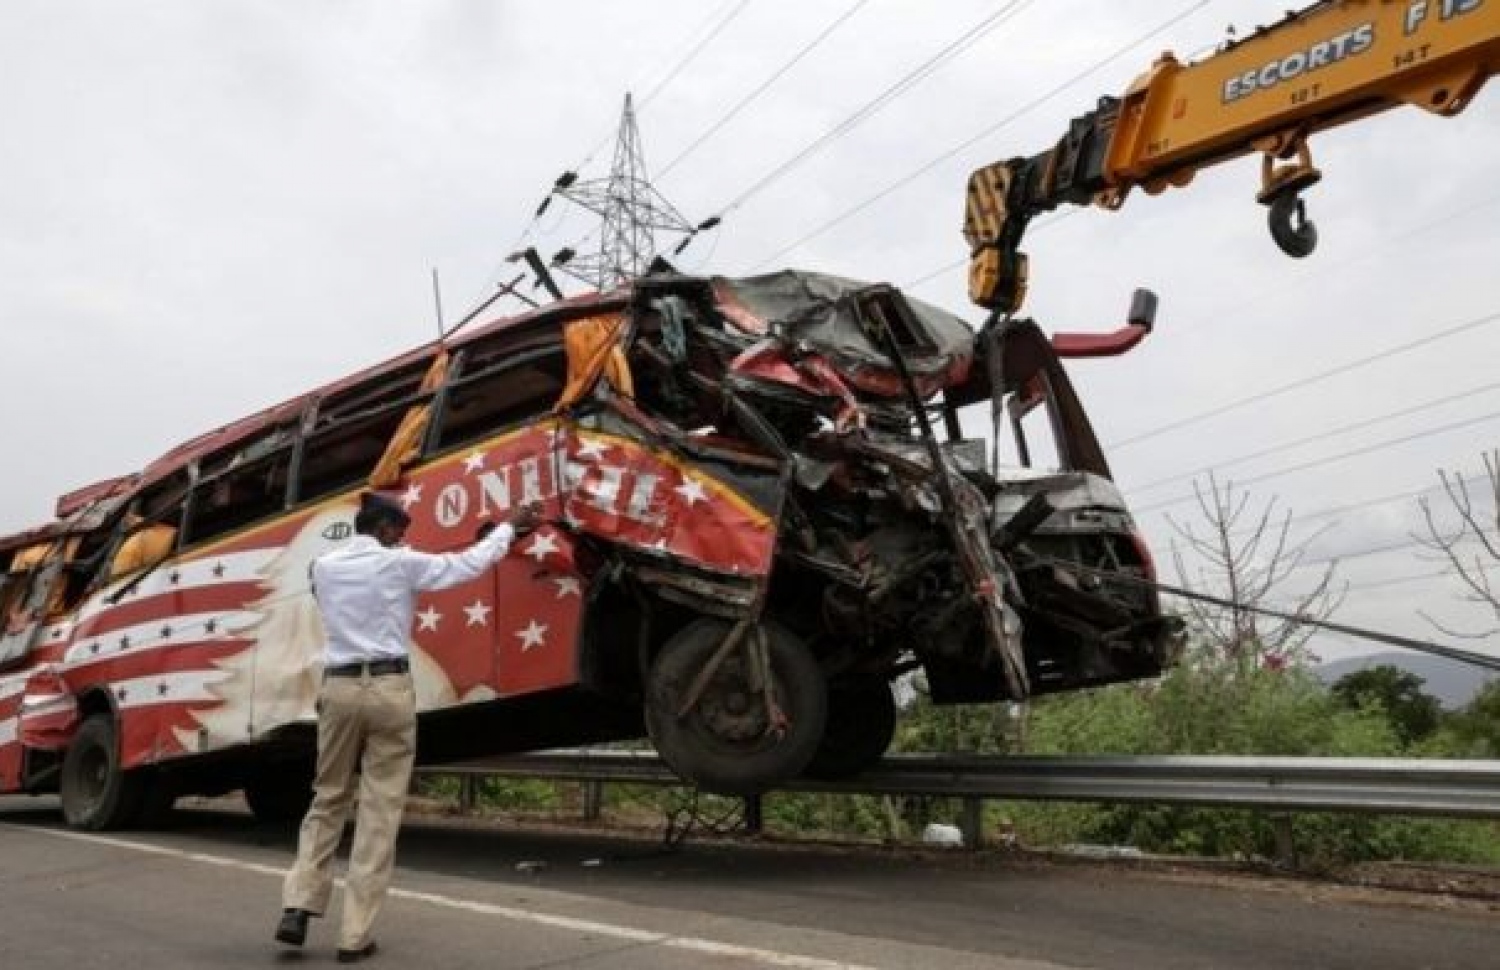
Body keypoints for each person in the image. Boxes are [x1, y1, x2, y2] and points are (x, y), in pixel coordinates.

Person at [275, 490, 543, 962]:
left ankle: (298, 903)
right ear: (383, 528)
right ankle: (354, 935)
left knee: (328, 796)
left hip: (338, 689)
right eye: (400, 531)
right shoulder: (401, 564)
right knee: (379, 811)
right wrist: (508, 526)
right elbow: (468, 565)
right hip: (389, 688)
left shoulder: (323, 567)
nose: (403, 539)